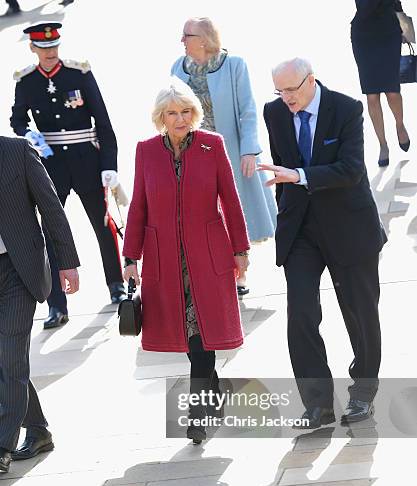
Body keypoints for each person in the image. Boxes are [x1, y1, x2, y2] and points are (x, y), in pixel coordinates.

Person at [260, 57, 387, 429]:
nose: (286, 98)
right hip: (301, 229)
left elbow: (351, 169)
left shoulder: (346, 109)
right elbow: (282, 163)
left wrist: (299, 175)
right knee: (300, 311)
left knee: (360, 314)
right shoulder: (275, 112)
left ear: (310, 81)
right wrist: (290, 191)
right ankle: (317, 404)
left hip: (349, 225)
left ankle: (363, 393)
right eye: (279, 91)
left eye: (291, 90)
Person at [122, 78, 250, 444]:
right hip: (166, 259)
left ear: (195, 114)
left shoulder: (212, 145)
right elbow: (139, 206)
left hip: (208, 257)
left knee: (202, 336)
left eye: (186, 112)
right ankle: (213, 393)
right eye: (172, 113)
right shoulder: (146, 151)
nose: (180, 119)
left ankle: (198, 414)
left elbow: (230, 197)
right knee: (193, 337)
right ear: (160, 117)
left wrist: (240, 249)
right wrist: (131, 256)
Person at [10, 21, 125, 330]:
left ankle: (116, 285)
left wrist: (109, 164)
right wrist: (32, 136)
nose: (49, 53)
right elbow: (17, 120)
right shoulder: (26, 81)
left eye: (53, 47)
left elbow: (103, 120)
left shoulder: (79, 73)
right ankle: (56, 305)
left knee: (104, 226)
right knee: (50, 233)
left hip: (86, 158)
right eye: (43, 48)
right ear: (33, 48)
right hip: (50, 165)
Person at [172, 17, 276, 297]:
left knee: (235, 212)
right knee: (207, 215)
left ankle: (240, 273)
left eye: (187, 35)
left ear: (204, 39)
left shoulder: (233, 65)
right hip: (194, 156)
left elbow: (247, 110)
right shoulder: (177, 69)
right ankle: (219, 272)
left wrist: (249, 150)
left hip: (230, 153)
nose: (182, 40)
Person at [0, 135, 80, 474]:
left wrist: (67, 262)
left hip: (18, 271)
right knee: (6, 359)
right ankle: (38, 429)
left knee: (9, 355)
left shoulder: (17, 151)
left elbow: (50, 207)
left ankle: (2, 445)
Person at [351, 0, 410, 166]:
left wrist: (405, 28)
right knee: (372, 96)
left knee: (392, 91)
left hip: (389, 34)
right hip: (364, 37)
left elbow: (396, 3)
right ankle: (383, 145)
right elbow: (365, 8)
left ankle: (400, 125)